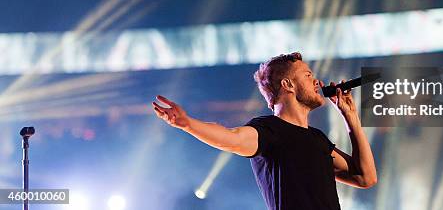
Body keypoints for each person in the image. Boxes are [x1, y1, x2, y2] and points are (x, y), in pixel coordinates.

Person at [152, 52, 377, 210]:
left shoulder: (318, 139)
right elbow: (231, 138)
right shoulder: (269, 130)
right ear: (288, 85)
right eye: (308, 75)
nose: (316, 81)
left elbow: (366, 177)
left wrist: (352, 119)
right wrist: (188, 123)